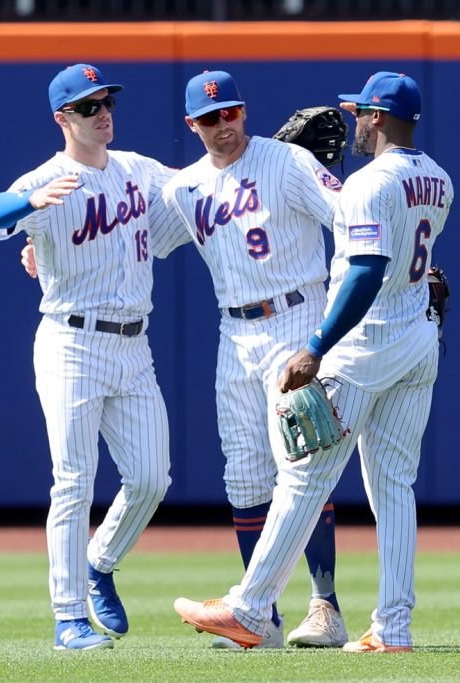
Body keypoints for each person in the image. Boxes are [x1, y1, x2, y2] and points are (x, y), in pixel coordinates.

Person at [173, 71, 453, 653]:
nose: (353, 121)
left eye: (360, 113)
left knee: (303, 475)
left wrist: (317, 346)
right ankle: (393, 629)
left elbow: (366, 269)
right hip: (418, 336)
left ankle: (250, 610)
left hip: (364, 344)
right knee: (393, 487)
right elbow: (405, 256)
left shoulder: (366, 183)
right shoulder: (439, 178)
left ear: (378, 117)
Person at [148, 70, 350, 649]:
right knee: (243, 476)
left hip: (296, 315)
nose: (222, 126)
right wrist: (45, 245)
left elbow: (350, 218)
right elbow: (143, 241)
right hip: (233, 332)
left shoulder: (286, 162)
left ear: (243, 111)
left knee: (302, 465)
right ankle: (260, 619)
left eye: (229, 113)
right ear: (192, 125)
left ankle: (325, 608)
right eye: (209, 118)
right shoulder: (182, 188)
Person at [0, 63, 176, 651]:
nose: (104, 113)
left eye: (107, 102)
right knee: (73, 481)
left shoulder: (139, 169)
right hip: (72, 341)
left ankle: (100, 562)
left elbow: (198, 188)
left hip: (133, 343)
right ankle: (68, 617)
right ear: (62, 118)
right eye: (89, 107)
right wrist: (29, 204)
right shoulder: (45, 178)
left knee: (150, 478)